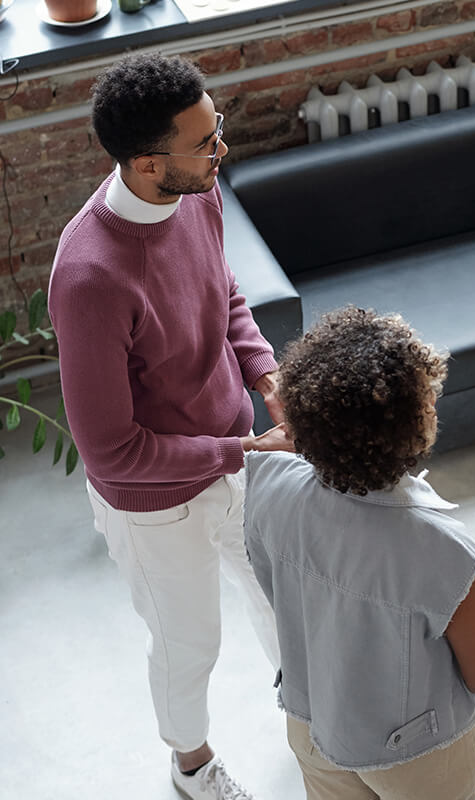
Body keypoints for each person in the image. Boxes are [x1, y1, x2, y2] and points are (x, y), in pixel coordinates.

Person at [48, 53, 293, 800]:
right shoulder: (89, 276)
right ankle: (192, 766)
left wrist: (267, 377)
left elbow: (225, 293)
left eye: (217, 128)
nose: (222, 148)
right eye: (205, 142)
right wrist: (238, 449)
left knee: (282, 598)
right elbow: (111, 452)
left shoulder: (198, 193)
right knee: (190, 645)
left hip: (240, 454)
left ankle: (312, 714)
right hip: (157, 503)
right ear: (149, 163)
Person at [243, 307, 475, 800]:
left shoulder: (267, 483)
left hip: (311, 721)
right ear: (415, 424)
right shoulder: (446, 553)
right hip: (416, 756)